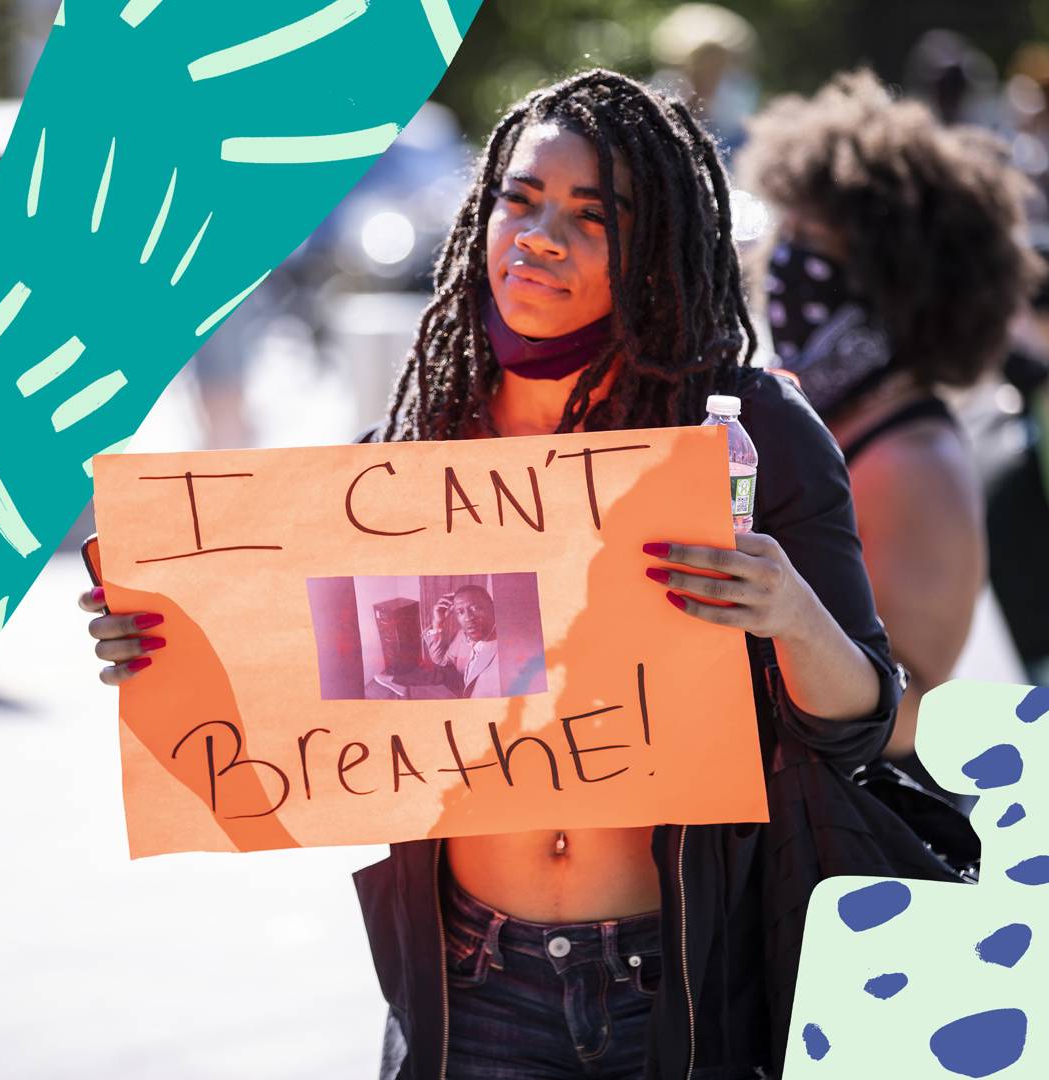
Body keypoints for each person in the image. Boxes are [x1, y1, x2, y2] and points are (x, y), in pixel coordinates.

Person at [79, 70, 902, 1079]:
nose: (541, 234)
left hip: (672, 990)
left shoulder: (748, 433)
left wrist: (790, 613)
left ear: (655, 252)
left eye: (592, 216)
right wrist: (165, 648)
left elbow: (857, 717)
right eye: (522, 198)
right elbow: (309, 687)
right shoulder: (418, 442)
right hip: (473, 986)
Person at [738, 70, 1042, 797]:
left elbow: (915, 710)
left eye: (814, 245)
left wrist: (784, 628)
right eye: (787, 233)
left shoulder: (913, 459)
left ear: (897, 277)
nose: (784, 266)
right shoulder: (837, 417)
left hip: (872, 820)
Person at [424, 585, 500, 699]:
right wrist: (437, 623)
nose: (468, 618)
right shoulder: (464, 636)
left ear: (493, 608)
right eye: (460, 612)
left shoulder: (504, 650)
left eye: (475, 608)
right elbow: (441, 660)